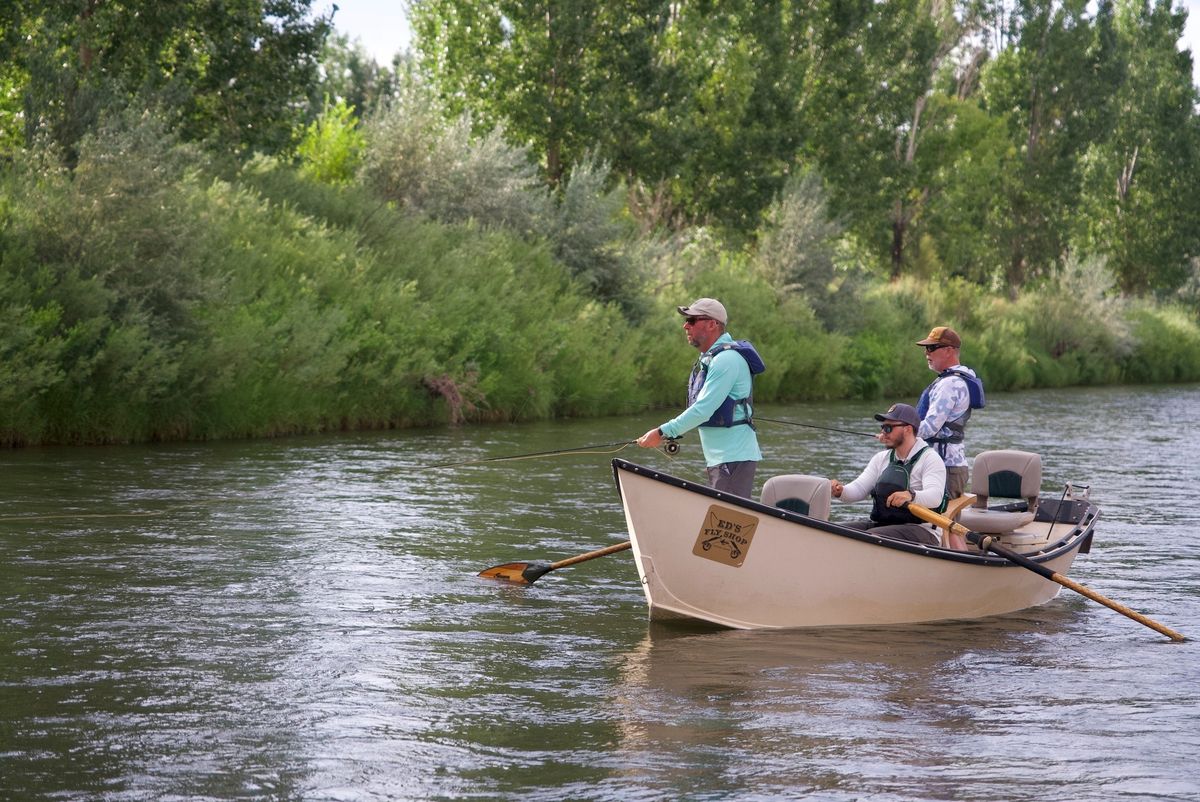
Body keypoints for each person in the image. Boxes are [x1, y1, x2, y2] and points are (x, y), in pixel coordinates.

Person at [637, 297, 764, 498]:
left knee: (726, 523)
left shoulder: (726, 360)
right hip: (722, 459)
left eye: (693, 320)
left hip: (732, 459)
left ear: (713, 324)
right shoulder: (713, 358)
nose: (685, 325)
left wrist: (662, 432)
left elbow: (703, 410)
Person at [829, 403, 950, 547]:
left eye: (888, 428)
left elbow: (935, 497)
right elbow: (859, 489)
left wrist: (911, 495)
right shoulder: (881, 458)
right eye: (882, 427)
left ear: (907, 429)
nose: (883, 432)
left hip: (922, 530)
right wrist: (840, 491)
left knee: (871, 538)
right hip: (883, 525)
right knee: (832, 531)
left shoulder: (930, 459)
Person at [914, 326, 984, 499]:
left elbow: (929, 428)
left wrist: (900, 431)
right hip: (946, 465)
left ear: (948, 351)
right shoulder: (953, 379)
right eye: (925, 348)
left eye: (931, 348)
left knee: (939, 524)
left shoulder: (949, 384)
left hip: (944, 466)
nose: (926, 353)